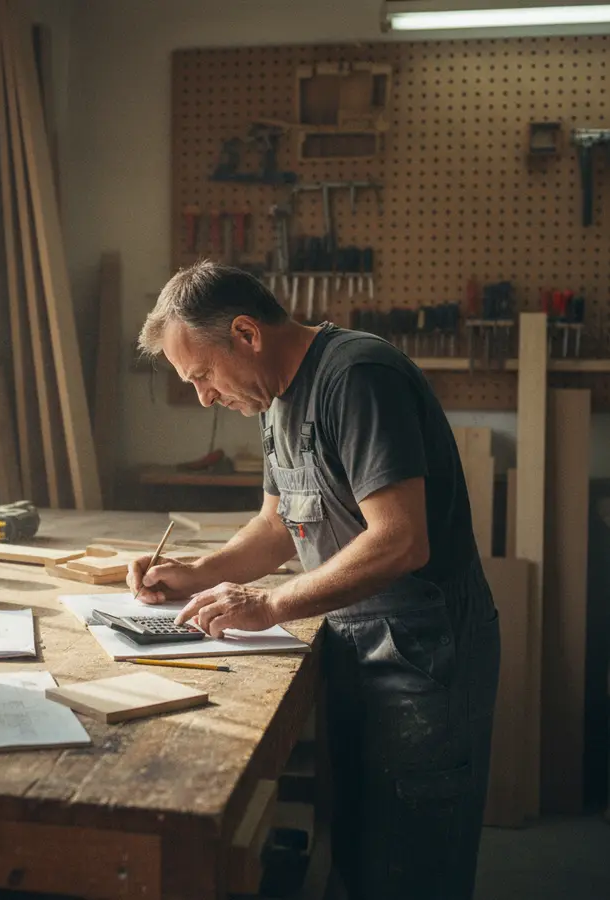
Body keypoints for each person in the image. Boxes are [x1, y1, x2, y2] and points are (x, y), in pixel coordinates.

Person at [127, 261, 501, 900]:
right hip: (356, 641)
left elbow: (401, 539)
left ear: (246, 333)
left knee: (411, 868)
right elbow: (277, 525)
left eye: (203, 375)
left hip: (424, 653)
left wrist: (270, 604)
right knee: (357, 855)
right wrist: (194, 574)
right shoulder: (276, 398)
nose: (204, 397)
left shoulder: (357, 377)